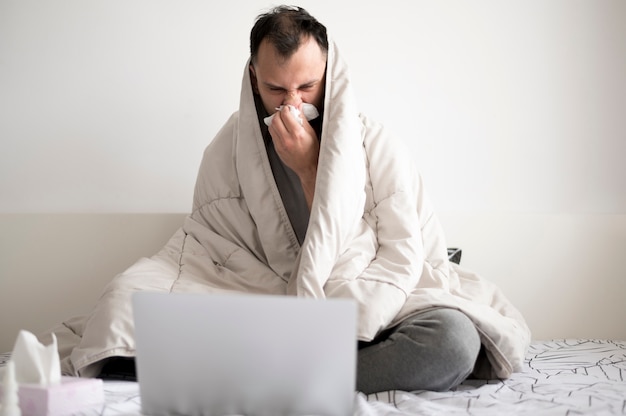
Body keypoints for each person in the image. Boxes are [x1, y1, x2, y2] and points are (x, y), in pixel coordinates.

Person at [42, 5, 530, 394]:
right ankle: (282, 362)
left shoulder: (377, 144)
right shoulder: (228, 146)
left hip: (361, 306)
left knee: (451, 342)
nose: (292, 102)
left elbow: (403, 255)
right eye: (276, 88)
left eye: (307, 86)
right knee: (121, 305)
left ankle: (257, 372)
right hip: (259, 302)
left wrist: (312, 168)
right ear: (254, 78)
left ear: (331, 75)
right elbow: (206, 250)